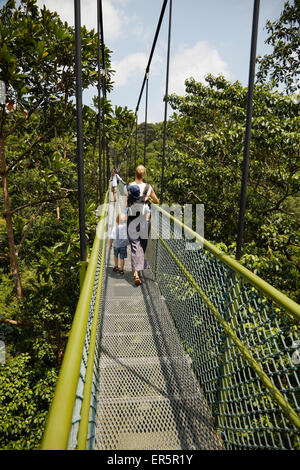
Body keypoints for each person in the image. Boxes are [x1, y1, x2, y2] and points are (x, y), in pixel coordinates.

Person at [124, 165, 159, 286]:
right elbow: (156, 201)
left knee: (135, 245)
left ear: (135, 174)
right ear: (144, 175)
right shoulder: (148, 187)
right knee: (142, 245)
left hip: (132, 219)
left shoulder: (128, 186)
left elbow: (125, 204)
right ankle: (137, 271)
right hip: (144, 219)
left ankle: (136, 273)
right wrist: (148, 197)